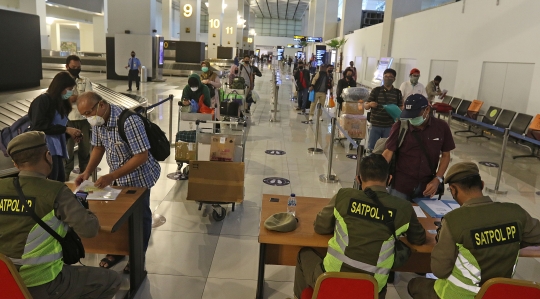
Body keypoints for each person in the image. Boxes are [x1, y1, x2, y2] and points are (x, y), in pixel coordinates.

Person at [0, 131, 121, 299]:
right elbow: (90, 230)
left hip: (5, 281)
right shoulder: (55, 191)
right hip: (43, 282)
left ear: (15, 163)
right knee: (112, 279)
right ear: (48, 155)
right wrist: (82, 208)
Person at [294, 154, 426, 299]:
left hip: (331, 280)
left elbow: (320, 227)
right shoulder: (404, 208)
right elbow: (418, 238)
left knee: (303, 254)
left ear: (358, 179)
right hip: (372, 290)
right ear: (389, 179)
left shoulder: (344, 196)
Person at [408, 162, 540, 299]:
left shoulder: (454, 220)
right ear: (482, 185)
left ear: (453, 189)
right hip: (497, 295)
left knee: (414, 284)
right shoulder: (516, 213)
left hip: (458, 295)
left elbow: (440, 270)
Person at [75, 92, 161, 273]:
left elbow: (141, 156)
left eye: (89, 112)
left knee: (140, 217)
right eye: (84, 115)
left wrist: (111, 176)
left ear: (102, 105)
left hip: (139, 177)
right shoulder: (99, 121)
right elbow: (98, 147)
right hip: (118, 177)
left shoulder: (130, 121)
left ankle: (138, 257)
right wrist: (87, 171)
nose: (88, 118)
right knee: (117, 216)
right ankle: (117, 251)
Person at [382, 94, 455, 201]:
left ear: (427, 110)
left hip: (426, 187)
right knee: (397, 215)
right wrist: (376, 176)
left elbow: (445, 155)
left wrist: (437, 179)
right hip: (400, 186)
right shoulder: (400, 126)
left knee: (423, 217)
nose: (411, 119)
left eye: (415, 115)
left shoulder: (441, 127)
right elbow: (388, 152)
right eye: (409, 115)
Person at [29, 71, 82, 182]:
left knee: (59, 179)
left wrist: (69, 134)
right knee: (53, 180)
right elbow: (39, 126)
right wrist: (66, 129)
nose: (71, 92)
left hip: (57, 148)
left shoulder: (61, 103)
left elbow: (59, 126)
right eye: (69, 88)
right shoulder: (43, 101)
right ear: (60, 87)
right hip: (46, 149)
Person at [64, 55, 92, 180]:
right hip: (68, 119)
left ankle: (85, 171)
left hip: (84, 119)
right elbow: (61, 98)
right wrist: (75, 97)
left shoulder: (85, 81)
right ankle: (65, 172)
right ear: (67, 66)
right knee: (68, 149)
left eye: (78, 67)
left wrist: (73, 98)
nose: (76, 69)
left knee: (85, 147)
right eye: (73, 67)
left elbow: (89, 98)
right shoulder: (62, 81)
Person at [364, 68, 402, 154]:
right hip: (375, 125)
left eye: (390, 77)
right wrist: (370, 104)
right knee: (372, 148)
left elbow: (401, 107)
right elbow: (366, 106)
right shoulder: (376, 91)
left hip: (390, 126)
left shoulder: (397, 93)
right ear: (383, 77)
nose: (388, 78)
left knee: (387, 149)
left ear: (394, 79)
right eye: (386, 76)